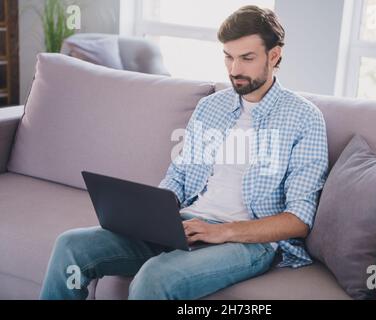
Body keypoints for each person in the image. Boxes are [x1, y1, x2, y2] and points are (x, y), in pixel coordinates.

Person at [40, 5, 329, 300]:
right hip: (187, 223)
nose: (234, 70)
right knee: (71, 246)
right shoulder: (211, 107)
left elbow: (299, 219)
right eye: (228, 57)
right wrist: (156, 215)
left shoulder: (304, 118)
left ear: (274, 55)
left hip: (247, 243)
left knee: (155, 278)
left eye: (247, 58)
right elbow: (179, 175)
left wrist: (223, 231)